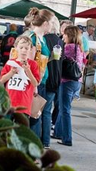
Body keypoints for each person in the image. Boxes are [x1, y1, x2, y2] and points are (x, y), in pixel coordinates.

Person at [53, 25, 84, 146]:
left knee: (65, 110)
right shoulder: (79, 48)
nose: (63, 36)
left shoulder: (68, 47)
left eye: (65, 34)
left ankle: (67, 138)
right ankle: (58, 132)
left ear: (69, 35)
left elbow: (57, 58)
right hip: (77, 81)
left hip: (66, 81)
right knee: (64, 107)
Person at [26, 7, 54, 138]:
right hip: (35, 82)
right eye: (52, 22)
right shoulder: (33, 38)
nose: (53, 25)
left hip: (40, 80)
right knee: (34, 116)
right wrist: (35, 84)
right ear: (45, 23)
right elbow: (28, 62)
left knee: (36, 115)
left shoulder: (40, 39)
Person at [0, 36, 40, 119]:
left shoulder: (33, 64)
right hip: (9, 103)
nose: (24, 50)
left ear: (30, 49)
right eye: (21, 47)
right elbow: (2, 80)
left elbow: (35, 83)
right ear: (16, 48)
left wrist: (28, 70)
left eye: (26, 48)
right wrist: (11, 72)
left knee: (21, 129)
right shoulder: (10, 62)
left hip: (24, 104)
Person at [41, 16, 62, 149]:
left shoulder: (43, 40)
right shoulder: (60, 41)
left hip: (44, 78)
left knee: (40, 111)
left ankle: (41, 139)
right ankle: (46, 141)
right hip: (56, 79)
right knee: (47, 111)